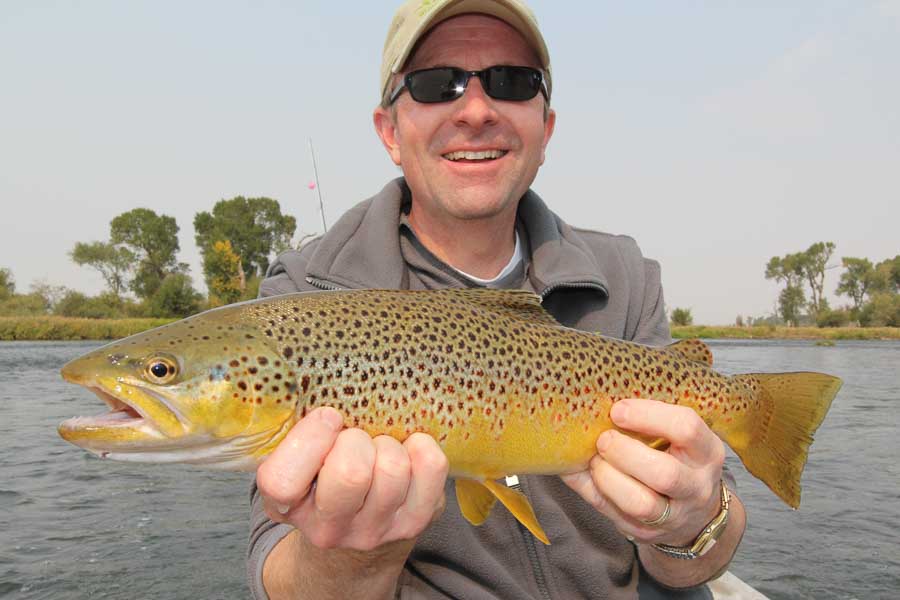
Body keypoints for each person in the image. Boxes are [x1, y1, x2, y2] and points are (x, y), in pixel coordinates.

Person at [248, 1, 746, 598]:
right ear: (389, 132)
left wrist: (690, 524)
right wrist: (356, 560)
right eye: (437, 85)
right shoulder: (303, 299)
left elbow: (704, 555)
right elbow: (275, 573)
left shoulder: (625, 274)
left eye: (512, 82)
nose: (477, 111)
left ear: (546, 130)